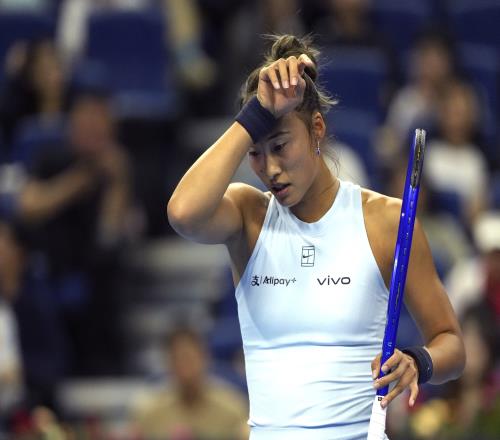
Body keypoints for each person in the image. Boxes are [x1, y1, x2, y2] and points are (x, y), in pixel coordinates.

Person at [167, 35, 465, 439]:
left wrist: (419, 360)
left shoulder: (384, 221)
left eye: (280, 146)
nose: (270, 168)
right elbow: (182, 212)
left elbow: (451, 344)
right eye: (255, 152)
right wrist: (255, 116)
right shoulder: (248, 215)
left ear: (317, 130)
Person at [131, 327, 249, 439]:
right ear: (168, 363)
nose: (185, 368)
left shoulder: (233, 412)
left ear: (204, 358)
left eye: (189, 358)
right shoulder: (149, 416)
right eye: (178, 359)